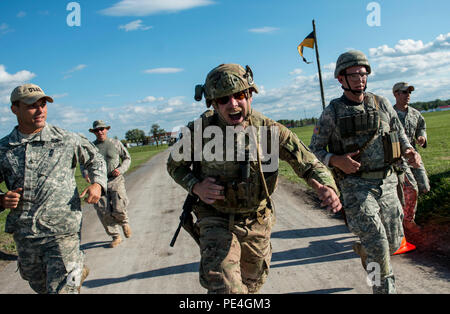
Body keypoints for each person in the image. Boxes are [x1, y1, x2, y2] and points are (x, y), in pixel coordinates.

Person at [167, 63, 342, 294]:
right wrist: (196, 186)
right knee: (226, 288)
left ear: (250, 95)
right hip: (215, 218)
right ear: (213, 103)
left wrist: (326, 186)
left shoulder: (269, 130)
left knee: (251, 286)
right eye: (223, 100)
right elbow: (174, 165)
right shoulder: (199, 132)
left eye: (239, 95)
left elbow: (308, 163)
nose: (233, 104)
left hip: (256, 221)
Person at [309, 51, 422, 294]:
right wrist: (336, 159)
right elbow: (314, 150)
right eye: (354, 74)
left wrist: (410, 151)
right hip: (356, 188)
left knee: (391, 243)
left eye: (363, 73)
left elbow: (399, 134)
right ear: (341, 79)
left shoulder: (381, 103)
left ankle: (366, 251)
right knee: (379, 245)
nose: (360, 78)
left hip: (388, 183)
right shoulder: (333, 113)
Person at [0, 84, 107, 294]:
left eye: (43, 105)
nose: (40, 110)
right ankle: (77, 270)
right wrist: (2, 200)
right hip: (26, 234)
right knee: (39, 284)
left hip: (62, 231)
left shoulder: (66, 139)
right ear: (15, 109)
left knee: (60, 291)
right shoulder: (4, 149)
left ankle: (72, 270)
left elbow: (96, 160)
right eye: (31, 106)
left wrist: (98, 184)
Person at [84, 120, 132, 248]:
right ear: (93, 132)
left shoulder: (115, 143)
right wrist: (86, 174)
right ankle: (116, 236)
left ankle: (124, 222)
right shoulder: (91, 147)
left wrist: (120, 169)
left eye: (102, 129)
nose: (100, 132)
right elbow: (84, 163)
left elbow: (127, 158)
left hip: (115, 179)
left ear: (107, 129)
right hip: (99, 182)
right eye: (96, 130)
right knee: (103, 210)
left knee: (119, 205)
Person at [392, 82, 430, 233]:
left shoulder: (415, 113)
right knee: (411, 188)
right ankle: (408, 221)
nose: (408, 95)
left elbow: (422, 126)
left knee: (424, 187)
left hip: (413, 156)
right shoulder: (390, 114)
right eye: (404, 92)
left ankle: (404, 211)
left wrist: (422, 136)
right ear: (396, 94)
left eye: (409, 92)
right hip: (398, 158)